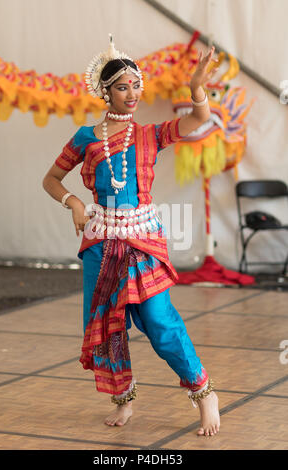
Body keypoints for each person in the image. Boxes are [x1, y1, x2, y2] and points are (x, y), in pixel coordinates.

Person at [42, 35, 220, 437]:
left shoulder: (150, 135)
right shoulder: (86, 138)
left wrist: (196, 89)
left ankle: (202, 390)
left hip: (141, 238)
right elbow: (51, 179)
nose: (133, 93)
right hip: (99, 241)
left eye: (137, 85)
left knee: (158, 320)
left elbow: (198, 120)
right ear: (105, 92)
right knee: (108, 324)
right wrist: (73, 202)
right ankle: (123, 397)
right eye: (123, 86)